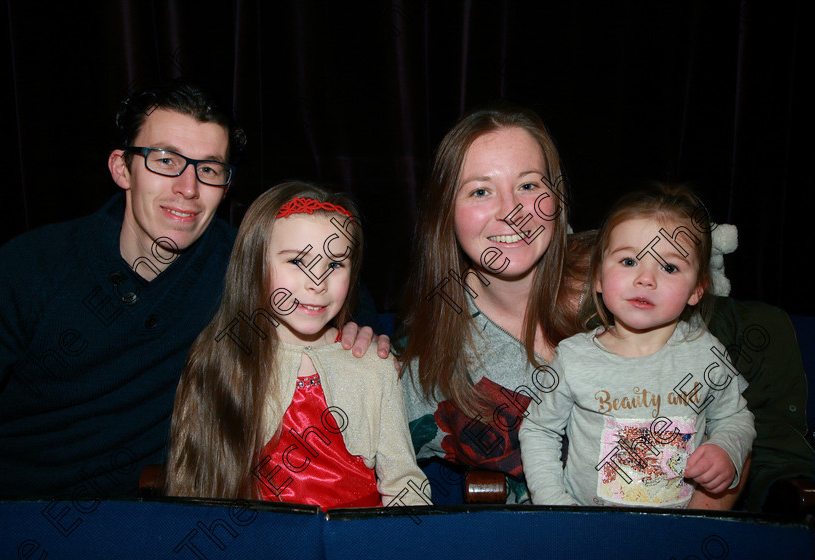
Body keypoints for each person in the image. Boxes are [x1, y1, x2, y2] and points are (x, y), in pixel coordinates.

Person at [0, 80, 384, 499]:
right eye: (165, 160)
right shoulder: (31, 266)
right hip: (11, 502)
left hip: (147, 510)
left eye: (208, 169)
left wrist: (358, 328)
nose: (188, 188)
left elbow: (341, 292)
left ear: (225, 186)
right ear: (122, 168)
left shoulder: (241, 265)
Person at [163, 182, 429, 509]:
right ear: (256, 265)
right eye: (297, 262)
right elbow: (190, 482)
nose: (316, 283)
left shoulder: (374, 364)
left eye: (334, 264)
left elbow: (403, 480)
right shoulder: (216, 359)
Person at [519, 185, 756, 508]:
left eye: (669, 267)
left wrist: (727, 449)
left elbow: (735, 417)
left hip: (673, 535)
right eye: (629, 261)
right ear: (599, 278)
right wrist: (553, 503)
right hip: (585, 531)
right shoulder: (574, 357)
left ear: (697, 290)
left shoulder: (705, 354)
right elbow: (538, 430)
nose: (646, 278)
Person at [399, 104, 584, 503]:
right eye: (481, 191)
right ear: (446, 213)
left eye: (530, 185)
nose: (511, 211)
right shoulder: (427, 363)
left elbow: (719, 431)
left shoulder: (624, 288)